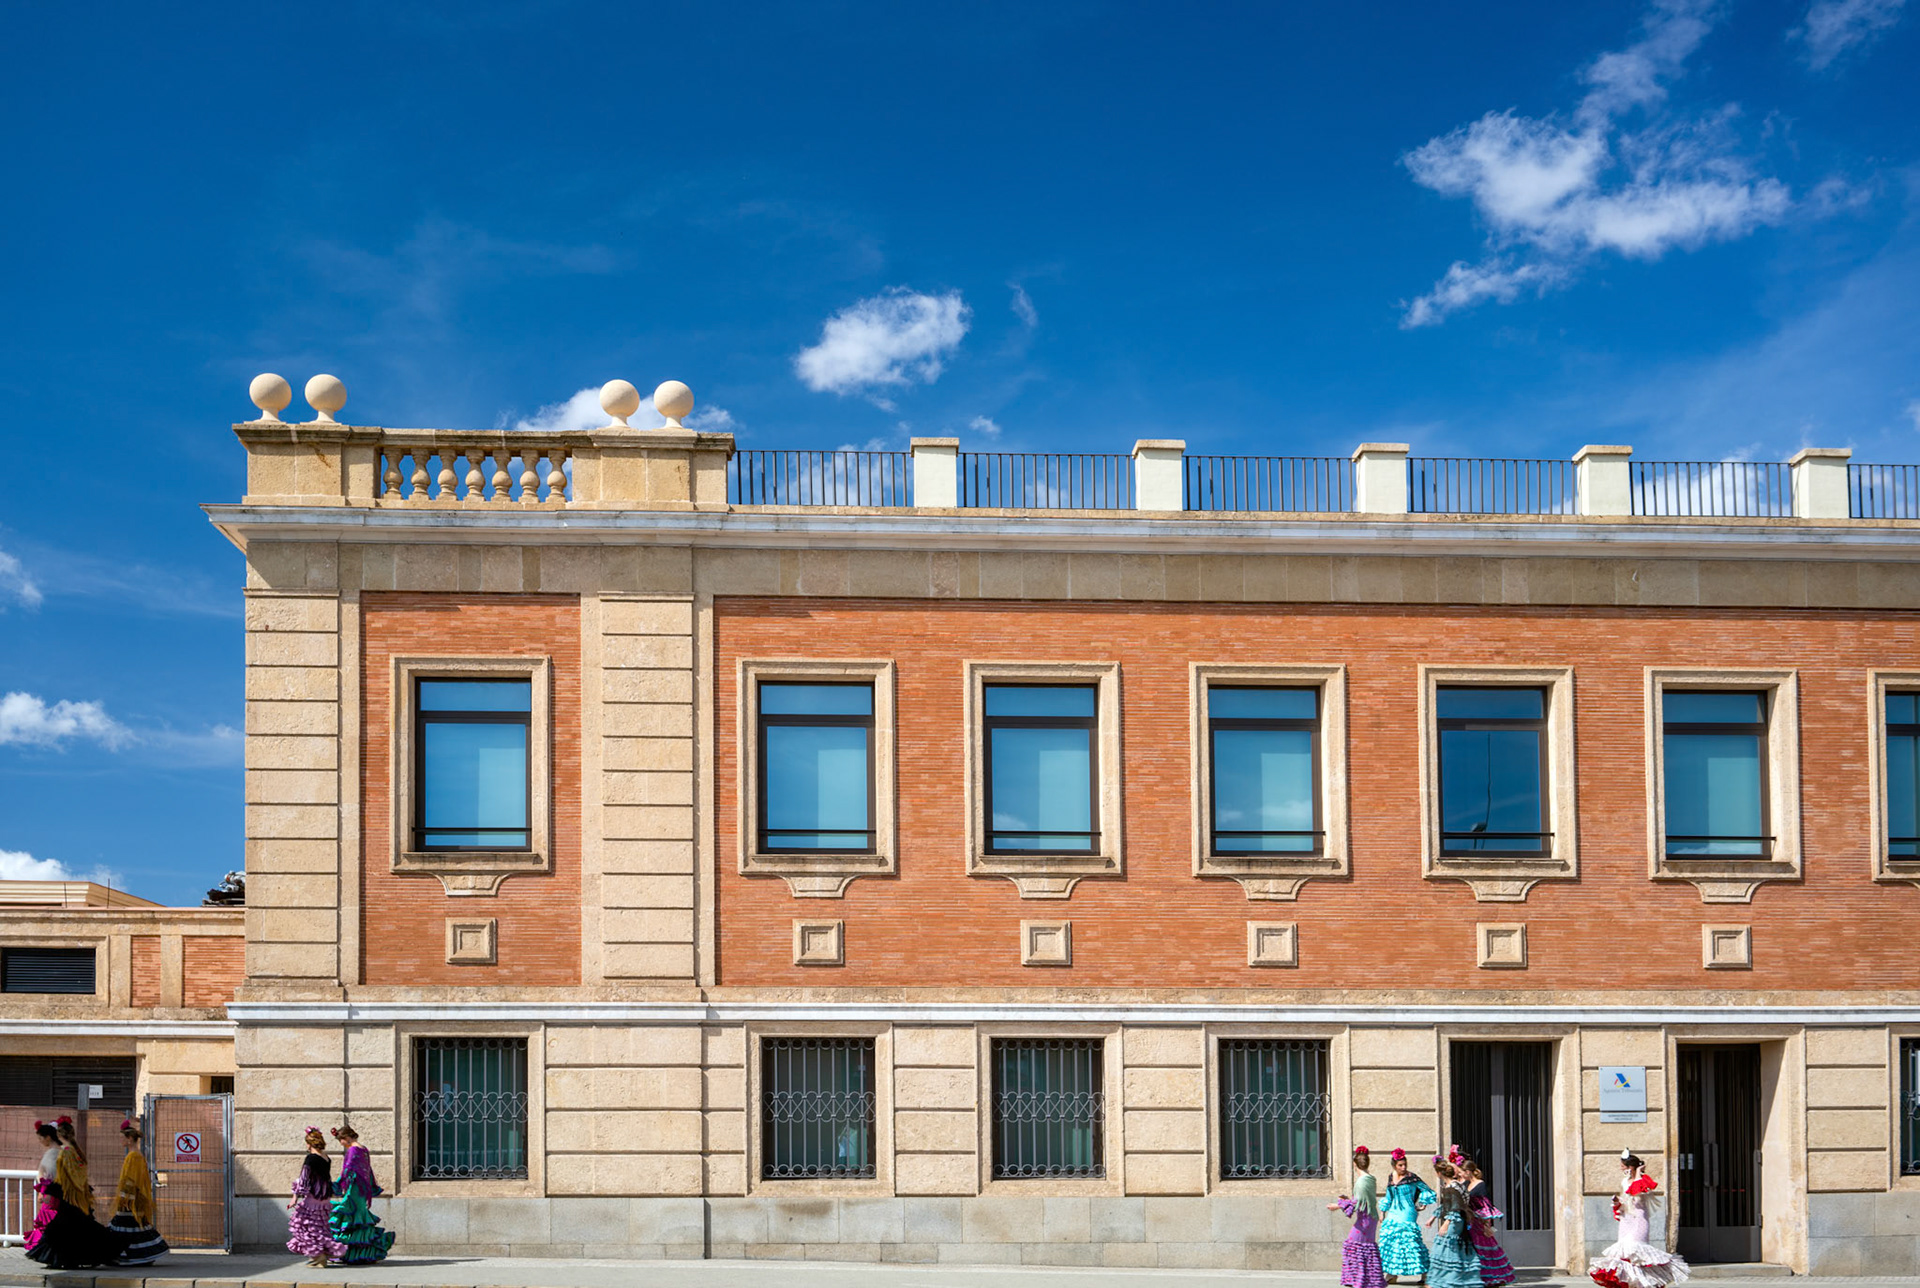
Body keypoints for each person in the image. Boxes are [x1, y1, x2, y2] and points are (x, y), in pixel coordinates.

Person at [1589, 1151, 1690, 1288]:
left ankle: (1645, 1283)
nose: (1621, 1168)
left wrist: (1638, 1173)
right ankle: (1631, 1283)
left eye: (1623, 1165)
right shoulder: (1624, 1181)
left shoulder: (1643, 1180)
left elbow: (1636, 1192)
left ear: (1630, 1167)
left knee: (1637, 1251)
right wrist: (1617, 1201)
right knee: (1625, 1253)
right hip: (1627, 1219)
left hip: (1639, 1219)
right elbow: (1627, 1196)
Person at [328, 1124, 396, 1264]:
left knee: (348, 1217)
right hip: (362, 1191)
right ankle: (358, 1253)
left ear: (346, 1138)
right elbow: (368, 1171)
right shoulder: (364, 1149)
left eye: (340, 1140)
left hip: (354, 1189)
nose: (341, 1144)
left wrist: (338, 1184)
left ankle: (348, 1253)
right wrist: (371, 1187)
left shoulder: (352, 1150)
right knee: (358, 1220)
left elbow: (348, 1171)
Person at [109, 1119, 168, 1265]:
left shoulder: (133, 1157)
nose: (121, 1140)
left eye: (123, 1137)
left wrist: (125, 1198)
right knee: (135, 1227)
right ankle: (137, 1254)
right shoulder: (136, 1155)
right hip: (135, 1198)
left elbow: (130, 1179)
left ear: (129, 1139)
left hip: (131, 1200)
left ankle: (129, 1255)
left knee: (126, 1226)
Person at [1329, 1145, 1387, 1288]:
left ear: (1355, 1164)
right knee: (1364, 1247)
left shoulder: (1362, 1181)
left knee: (1354, 1245)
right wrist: (1346, 1199)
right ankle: (1365, 1280)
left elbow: (1357, 1203)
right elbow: (1361, 1199)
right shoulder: (1370, 1178)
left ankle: (1359, 1280)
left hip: (1365, 1220)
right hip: (1369, 1219)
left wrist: (1337, 1205)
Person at [287, 1128, 345, 1267]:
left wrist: (295, 1196)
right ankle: (320, 1255)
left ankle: (319, 1257)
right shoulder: (326, 1157)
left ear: (309, 1144)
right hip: (324, 1197)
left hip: (314, 1197)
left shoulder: (311, 1158)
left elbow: (304, 1179)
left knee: (303, 1226)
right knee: (320, 1227)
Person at [1379, 1147, 1437, 1283]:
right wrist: (1382, 1211)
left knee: (1410, 1241)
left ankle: (1425, 1272)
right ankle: (1392, 1274)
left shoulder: (1412, 1178)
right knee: (1390, 1241)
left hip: (1407, 1212)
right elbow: (1388, 1196)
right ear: (1394, 1165)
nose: (1403, 1167)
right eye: (1400, 1165)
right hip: (1393, 1212)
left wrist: (1423, 1203)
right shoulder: (1391, 1176)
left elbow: (1427, 1190)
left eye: (1405, 1164)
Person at [1459, 1154, 1516, 1287]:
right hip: (1470, 1221)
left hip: (1480, 1221)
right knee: (1475, 1249)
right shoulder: (1467, 1184)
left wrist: (1487, 1224)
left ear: (1468, 1172)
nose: (1461, 1175)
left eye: (1462, 1172)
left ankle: (1492, 1277)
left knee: (1485, 1249)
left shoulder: (1480, 1184)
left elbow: (1486, 1205)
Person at [1425, 1163, 1484, 1288]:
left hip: (1454, 1221)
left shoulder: (1451, 1187)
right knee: (1454, 1248)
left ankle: (1446, 1280)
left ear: (1439, 1174)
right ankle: (1451, 1279)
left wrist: (1446, 1223)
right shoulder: (1457, 1185)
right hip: (1458, 1220)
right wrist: (1433, 1217)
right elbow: (1447, 1205)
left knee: (1446, 1248)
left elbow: (1455, 1207)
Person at [23, 1121, 62, 1256]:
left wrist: (43, 1191)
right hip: (55, 1192)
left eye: (41, 1138)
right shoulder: (60, 1151)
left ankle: (47, 1249)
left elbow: (50, 1175)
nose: (40, 1141)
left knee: (48, 1221)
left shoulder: (53, 1153)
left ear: (48, 1137)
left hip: (51, 1193)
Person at [53, 1117, 92, 1221]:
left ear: (59, 1135)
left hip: (68, 1195)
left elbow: (66, 1174)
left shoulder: (65, 1151)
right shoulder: (75, 1150)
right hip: (78, 1195)